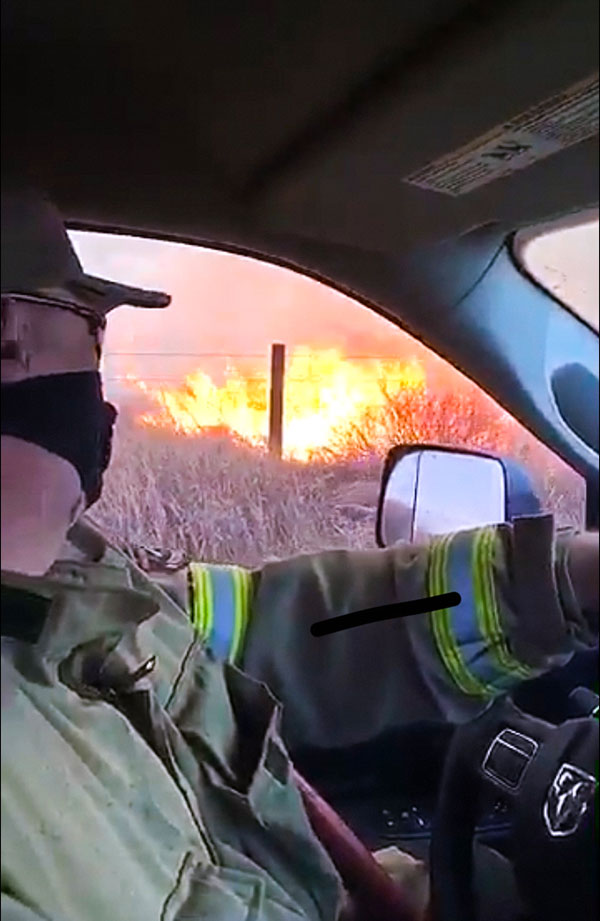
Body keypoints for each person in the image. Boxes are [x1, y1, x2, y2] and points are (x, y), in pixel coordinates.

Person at [1, 186, 598, 921]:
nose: (101, 382)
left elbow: (292, 632)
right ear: (8, 337)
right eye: (91, 330)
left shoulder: (86, 580)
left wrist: (561, 584)